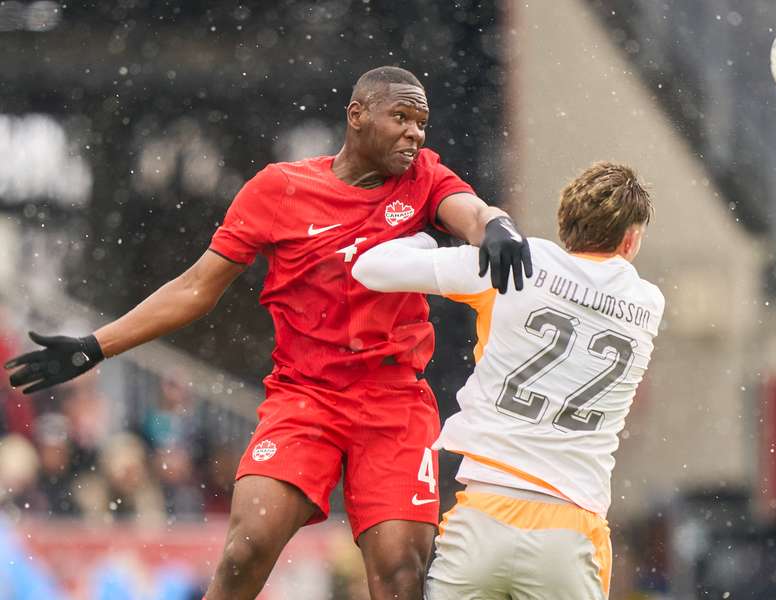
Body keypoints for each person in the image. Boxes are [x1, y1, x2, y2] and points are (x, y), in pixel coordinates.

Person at [3, 66, 532, 600]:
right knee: (246, 549)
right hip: (306, 399)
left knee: (400, 574)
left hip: (393, 403)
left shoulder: (422, 178)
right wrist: (95, 346)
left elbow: (471, 210)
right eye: (400, 117)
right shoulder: (280, 189)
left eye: (421, 122)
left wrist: (496, 226)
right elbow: (195, 289)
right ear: (356, 116)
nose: (415, 134)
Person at [353, 161, 664, 599]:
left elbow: (371, 267)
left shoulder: (515, 265)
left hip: (483, 517)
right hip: (571, 529)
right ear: (631, 241)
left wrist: (447, 236)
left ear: (565, 225)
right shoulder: (649, 303)